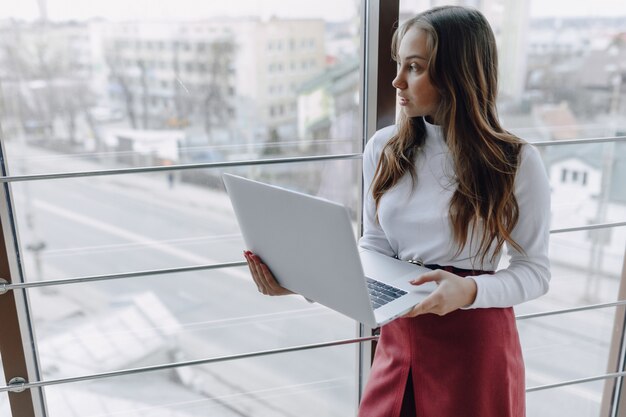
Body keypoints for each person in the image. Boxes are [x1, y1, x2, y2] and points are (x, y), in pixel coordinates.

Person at [244, 5, 550, 417]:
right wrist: (305, 282)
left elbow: (535, 271)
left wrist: (470, 291)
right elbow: (374, 248)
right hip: (398, 336)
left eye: (415, 67)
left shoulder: (515, 161)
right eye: (398, 64)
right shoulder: (384, 148)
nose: (397, 81)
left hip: (473, 343)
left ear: (458, 74)